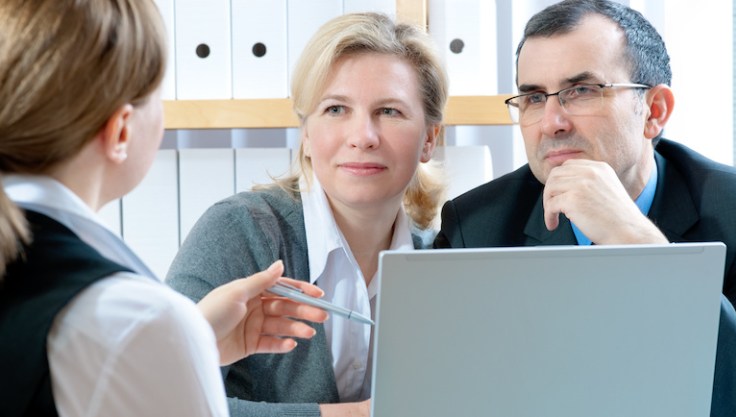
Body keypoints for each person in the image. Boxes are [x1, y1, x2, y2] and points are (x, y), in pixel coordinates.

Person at [0, 1, 329, 416]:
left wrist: (195, 344)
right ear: (121, 130)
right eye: (158, 93)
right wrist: (177, 345)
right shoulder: (138, 320)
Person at [434, 1, 736, 416]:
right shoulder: (475, 229)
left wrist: (638, 241)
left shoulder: (733, 210)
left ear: (654, 111)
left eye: (582, 91)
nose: (551, 122)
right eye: (534, 97)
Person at [166, 12, 448, 417]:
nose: (363, 137)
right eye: (335, 110)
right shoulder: (238, 231)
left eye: (389, 111)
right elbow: (150, 400)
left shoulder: (440, 260)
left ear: (429, 139)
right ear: (307, 134)